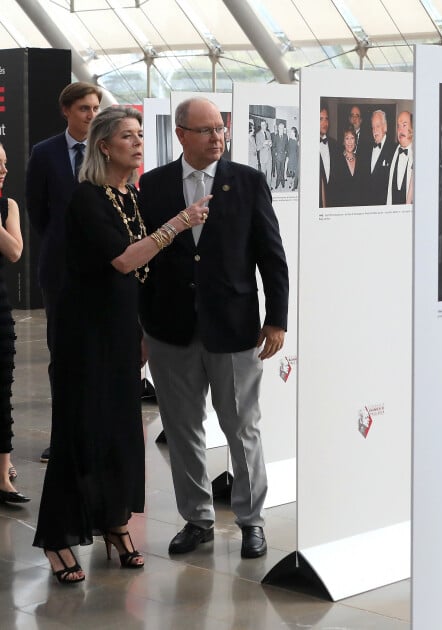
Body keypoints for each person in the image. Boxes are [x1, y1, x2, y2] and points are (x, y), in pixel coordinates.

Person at [32, 106, 208, 584]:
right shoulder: (86, 198)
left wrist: (143, 329)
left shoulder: (128, 194)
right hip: (85, 334)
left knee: (119, 434)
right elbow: (126, 260)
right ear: (104, 146)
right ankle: (56, 537)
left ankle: (114, 522)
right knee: (80, 433)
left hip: (120, 329)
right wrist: (178, 223)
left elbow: (142, 278)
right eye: (127, 136)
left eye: (138, 135)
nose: (137, 143)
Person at [138, 97, 289, 560]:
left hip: (235, 327)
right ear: (181, 134)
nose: (217, 138)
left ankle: (251, 521)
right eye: (205, 131)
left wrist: (277, 319)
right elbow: (146, 261)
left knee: (242, 428)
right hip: (171, 329)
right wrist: (143, 328)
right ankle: (197, 518)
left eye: (220, 130)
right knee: (183, 429)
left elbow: (271, 254)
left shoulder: (248, 181)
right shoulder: (153, 185)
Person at [26, 81, 103, 463]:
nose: (91, 115)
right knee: (64, 356)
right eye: (84, 109)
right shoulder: (45, 154)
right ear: (66, 111)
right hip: (60, 272)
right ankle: (65, 437)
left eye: (95, 108)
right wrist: (62, 244)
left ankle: (96, 435)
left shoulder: (106, 149)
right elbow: (38, 212)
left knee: (99, 354)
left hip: (104, 269)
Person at [0, 143, 29, 505]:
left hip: (0, 310)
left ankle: (3, 474)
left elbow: (14, 251)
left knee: (2, 392)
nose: (3, 170)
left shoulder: (8, 207)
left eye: (5, 164)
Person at [365, 110, 395, 206]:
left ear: (385, 127)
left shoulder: (394, 149)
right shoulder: (367, 148)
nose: (374, 130)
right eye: (373, 127)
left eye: (377, 126)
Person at [386, 111, 414, 205]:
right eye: (398, 126)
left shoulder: (420, 156)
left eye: (404, 125)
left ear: (413, 128)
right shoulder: (392, 153)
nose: (400, 130)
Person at [333, 126, 361, 206]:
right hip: (342, 206)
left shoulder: (361, 161)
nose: (349, 142)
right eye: (347, 138)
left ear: (355, 141)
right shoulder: (337, 161)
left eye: (352, 138)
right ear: (343, 141)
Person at [319, 103, 339, 207]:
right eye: (321, 119)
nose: (324, 123)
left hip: (333, 203)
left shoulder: (335, 145)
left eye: (326, 119)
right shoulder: (308, 146)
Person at [255, 119, 273, 188]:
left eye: (265, 125)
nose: (264, 126)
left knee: (269, 173)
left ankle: (269, 186)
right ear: (261, 126)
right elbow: (257, 148)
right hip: (263, 157)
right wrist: (263, 144)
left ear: (266, 125)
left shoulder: (268, 133)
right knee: (263, 174)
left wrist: (270, 144)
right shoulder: (257, 134)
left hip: (269, 156)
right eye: (262, 125)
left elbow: (270, 143)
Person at [272, 122, 288, 190]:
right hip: (277, 156)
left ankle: (282, 182)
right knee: (278, 170)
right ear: (278, 128)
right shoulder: (275, 136)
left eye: (282, 128)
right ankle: (277, 182)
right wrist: (275, 152)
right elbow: (273, 146)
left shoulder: (285, 136)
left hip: (283, 156)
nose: (281, 129)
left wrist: (286, 152)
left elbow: (287, 145)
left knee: (282, 169)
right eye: (280, 128)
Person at [286, 126, 299, 191]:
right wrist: (287, 157)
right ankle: (290, 183)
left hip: (295, 157)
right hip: (290, 156)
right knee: (290, 171)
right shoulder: (290, 139)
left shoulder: (297, 140)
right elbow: (288, 148)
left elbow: (298, 150)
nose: (290, 133)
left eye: (292, 132)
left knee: (294, 171)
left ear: (294, 132)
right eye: (290, 132)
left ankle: (294, 185)